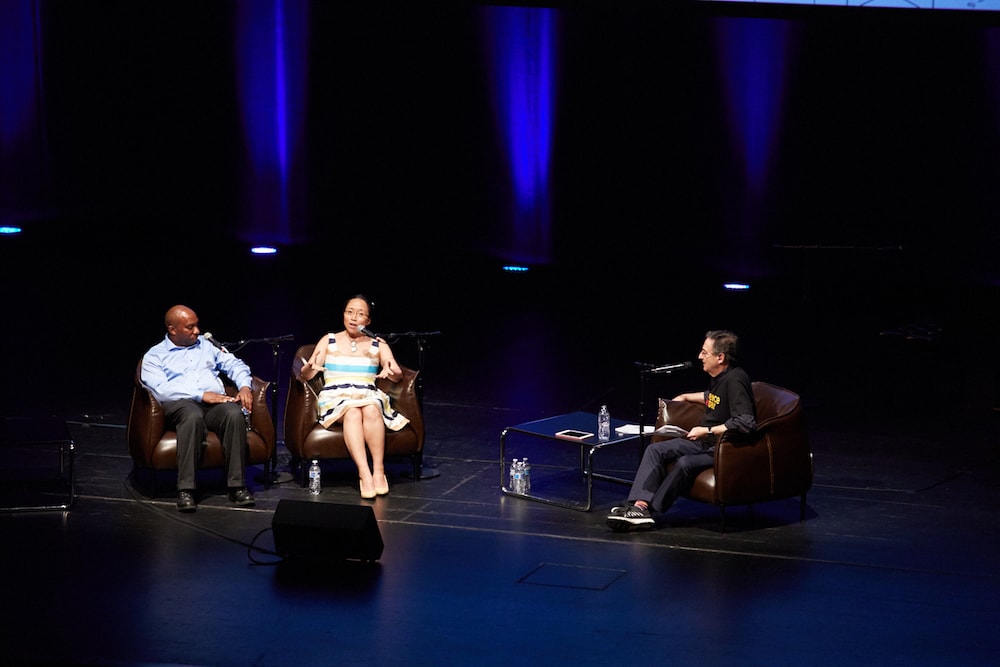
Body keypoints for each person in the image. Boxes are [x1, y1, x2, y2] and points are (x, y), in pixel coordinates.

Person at [606, 330, 756, 532]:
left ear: (720, 357)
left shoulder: (736, 380)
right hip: (705, 442)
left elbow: (746, 422)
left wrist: (706, 430)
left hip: (724, 449)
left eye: (705, 352)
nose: (699, 357)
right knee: (655, 449)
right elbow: (712, 397)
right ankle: (639, 505)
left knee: (685, 463)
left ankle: (649, 512)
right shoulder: (719, 378)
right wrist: (685, 396)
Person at [141, 305, 257, 512]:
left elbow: (235, 365)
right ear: (172, 329)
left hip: (213, 404)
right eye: (190, 327)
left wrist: (245, 386)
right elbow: (161, 390)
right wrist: (200, 395)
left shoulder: (206, 346)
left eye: (197, 326)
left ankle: (237, 486)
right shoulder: (155, 355)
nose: (197, 331)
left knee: (233, 414)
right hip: (180, 404)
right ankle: (186, 489)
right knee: (192, 416)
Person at [298, 294, 410, 499]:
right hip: (336, 395)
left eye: (360, 314)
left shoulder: (378, 344)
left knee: (371, 408)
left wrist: (390, 370)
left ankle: (378, 470)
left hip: (366, 393)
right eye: (349, 312)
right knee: (351, 412)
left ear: (367, 321)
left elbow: (396, 374)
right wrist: (308, 368)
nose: (353, 317)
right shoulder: (329, 340)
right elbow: (307, 374)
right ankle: (364, 473)